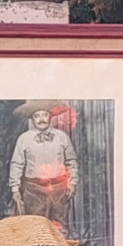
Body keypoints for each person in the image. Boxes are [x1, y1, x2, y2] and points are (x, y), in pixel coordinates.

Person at [8, 99, 79, 231]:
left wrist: (72, 183)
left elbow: (71, 161)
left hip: (59, 190)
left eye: (44, 115)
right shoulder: (24, 139)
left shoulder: (62, 137)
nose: (41, 119)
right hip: (34, 191)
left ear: (50, 116)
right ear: (32, 119)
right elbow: (16, 164)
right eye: (37, 116)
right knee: (36, 228)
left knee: (60, 228)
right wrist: (15, 189)